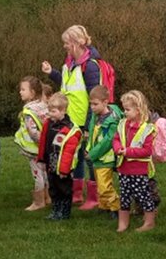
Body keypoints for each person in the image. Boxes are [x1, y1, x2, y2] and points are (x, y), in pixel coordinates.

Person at [42, 25, 102, 204]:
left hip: (85, 120)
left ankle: (93, 197)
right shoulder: (69, 65)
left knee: (88, 156)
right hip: (70, 120)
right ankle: (77, 194)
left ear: (77, 42)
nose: (64, 46)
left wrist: (89, 125)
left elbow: (94, 96)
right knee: (75, 156)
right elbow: (66, 85)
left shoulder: (90, 66)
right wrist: (52, 73)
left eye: (67, 42)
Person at [113, 90, 157, 233]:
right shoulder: (122, 124)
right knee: (124, 196)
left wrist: (127, 151)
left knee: (143, 195)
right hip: (123, 168)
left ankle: (149, 222)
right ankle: (123, 222)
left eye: (127, 109)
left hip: (139, 170)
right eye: (124, 108)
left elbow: (147, 150)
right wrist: (118, 148)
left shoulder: (147, 129)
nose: (124, 112)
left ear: (138, 110)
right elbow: (116, 139)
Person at [37, 92, 82, 221]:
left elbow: (68, 152)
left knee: (64, 189)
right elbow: (44, 142)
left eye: (53, 111)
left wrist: (64, 170)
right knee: (53, 188)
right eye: (49, 111)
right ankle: (56, 210)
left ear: (63, 111)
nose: (50, 114)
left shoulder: (69, 129)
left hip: (63, 166)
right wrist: (42, 158)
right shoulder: (49, 124)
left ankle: (65, 212)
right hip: (51, 163)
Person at [14, 76, 50, 211]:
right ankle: (47, 197)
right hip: (45, 148)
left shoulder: (28, 111)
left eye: (23, 89)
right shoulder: (44, 107)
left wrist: (39, 142)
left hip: (34, 150)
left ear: (33, 93)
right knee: (45, 172)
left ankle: (39, 201)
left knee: (37, 174)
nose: (20, 92)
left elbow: (32, 132)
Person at [84, 85, 120, 216]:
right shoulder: (96, 115)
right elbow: (92, 135)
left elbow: (107, 142)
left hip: (106, 157)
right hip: (97, 156)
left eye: (95, 104)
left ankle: (116, 207)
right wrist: (88, 148)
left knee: (105, 185)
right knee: (100, 183)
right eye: (91, 104)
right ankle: (104, 205)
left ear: (105, 102)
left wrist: (92, 154)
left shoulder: (112, 121)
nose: (92, 107)